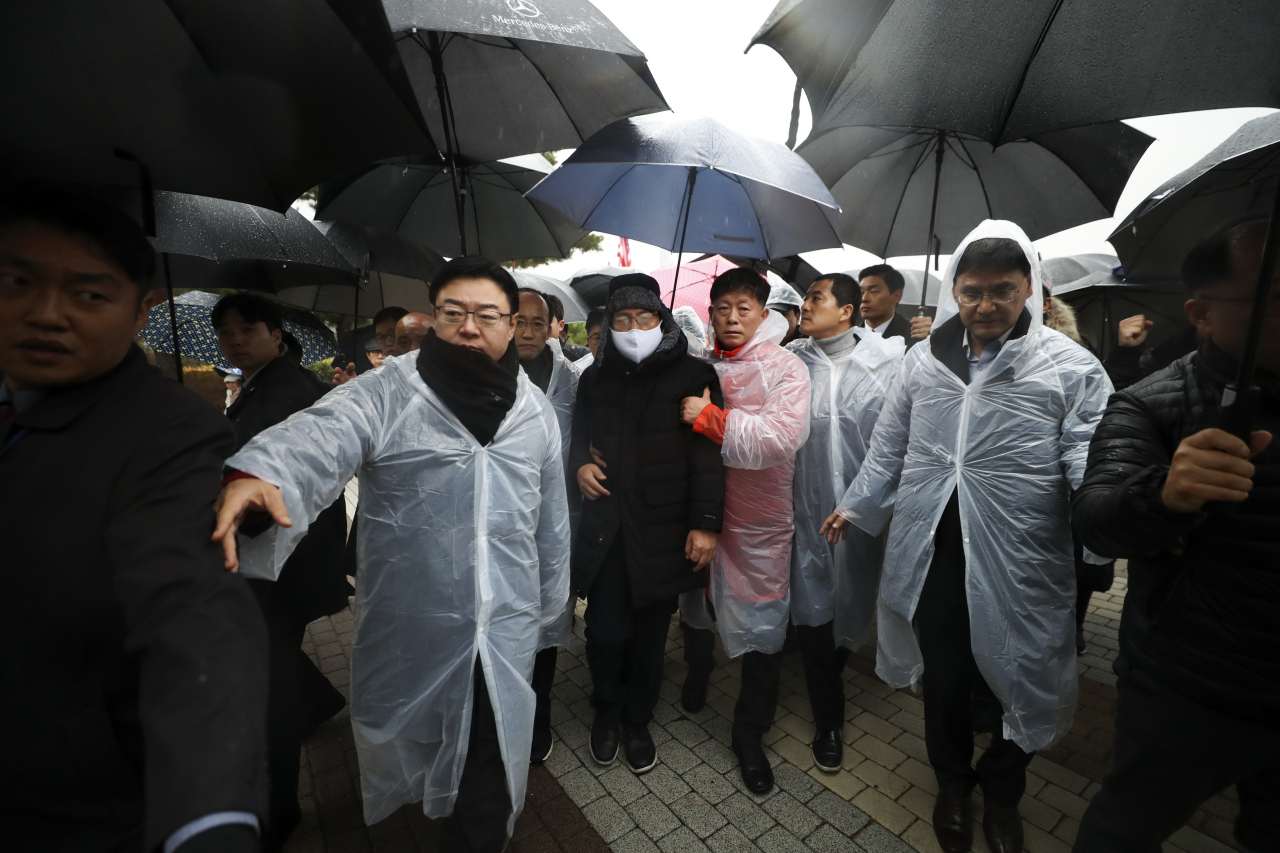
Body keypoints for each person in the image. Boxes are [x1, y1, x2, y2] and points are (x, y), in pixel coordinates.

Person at [214, 257, 570, 853]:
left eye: (487, 315)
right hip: (418, 614)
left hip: (505, 619)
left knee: (491, 747)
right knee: (425, 727)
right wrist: (263, 474)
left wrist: (550, 603)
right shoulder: (391, 390)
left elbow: (552, 516)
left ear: (512, 325)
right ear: (435, 318)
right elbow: (322, 432)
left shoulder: (533, 410)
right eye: (454, 313)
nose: (470, 327)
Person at [822, 221, 1112, 853]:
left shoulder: (1069, 367)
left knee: (1026, 665)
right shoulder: (923, 361)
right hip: (936, 548)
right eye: (972, 292)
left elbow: (1091, 456)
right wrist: (855, 505)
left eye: (1002, 291)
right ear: (954, 290)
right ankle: (952, 784)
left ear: (1031, 288)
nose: (985, 306)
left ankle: (1003, 792)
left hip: (1025, 551)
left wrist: (1105, 522)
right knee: (947, 676)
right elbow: (889, 445)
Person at [0, 187, 268, 852]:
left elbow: (193, 612)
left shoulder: (167, 431)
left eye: (88, 294)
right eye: (16, 283)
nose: (46, 314)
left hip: (73, 802)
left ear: (141, 308)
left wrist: (208, 820)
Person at [1071, 217, 1279, 853]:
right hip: (1189, 682)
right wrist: (1164, 495)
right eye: (1273, 298)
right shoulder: (1150, 403)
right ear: (1202, 314)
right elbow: (1097, 518)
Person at [571, 273, 725, 774]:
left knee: (651, 636)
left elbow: (707, 457)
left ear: (661, 320)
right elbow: (578, 436)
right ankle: (605, 710)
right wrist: (580, 465)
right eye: (622, 320)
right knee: (604, 630)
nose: (634, 329)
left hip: (664, 525)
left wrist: (706, 524)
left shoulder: (694, 375)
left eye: (644, 318)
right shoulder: (594, 377)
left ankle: (638, 720)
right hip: (608, 524)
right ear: (609, 325)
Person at [213, 292, 350, 848]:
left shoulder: (287, 392)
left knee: (267, 681)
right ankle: (318, 702)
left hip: (284, 555)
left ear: (276, 335)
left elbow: (269, 472)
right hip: (278, 555)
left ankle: (277, 808)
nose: (234, 341)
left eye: (246, 330)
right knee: (271, 656)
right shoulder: (259, 384)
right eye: (225, 333)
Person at [678, 267, 811, 795]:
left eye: (744, 308)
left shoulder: (785, 367)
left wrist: (710, 418)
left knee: (763, 622)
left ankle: (750, 731)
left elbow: (780, 438)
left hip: (760, 523)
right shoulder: (698, 366)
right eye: (723, 308)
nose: (732, 318)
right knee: (695, 603)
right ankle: (698, 671)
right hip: (698, 514)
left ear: (763, 314)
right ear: (710, 313)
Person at [787, 273, 905, 772]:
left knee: (852, 602)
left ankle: (831, 663)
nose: (805, 305)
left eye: (816, 297)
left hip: (862, 515)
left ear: (847, 311)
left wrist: (860, 504)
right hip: (802, 512)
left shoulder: (887, 365)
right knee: (811, 606)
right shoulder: (792, 362)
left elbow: (894, 446)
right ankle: (828, 720)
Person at [515, 286, 583, 765]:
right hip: (503, 522)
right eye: (518, 321)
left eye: (537, 323)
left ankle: (539, 717)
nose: (527, 331)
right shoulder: (486, 376)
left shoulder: (572, 380)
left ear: (553, 328)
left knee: (549, 615)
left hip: (558, 521)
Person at [1041, 285, 1117, 655]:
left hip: (1069, 482)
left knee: (1076, 559)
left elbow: (1093, 420)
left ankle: (1074, 624)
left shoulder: (1074, 354)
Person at [332, 306, 410, 386]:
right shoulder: (376, 380)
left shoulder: (416, 374)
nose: (387, 343)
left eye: (392, 334)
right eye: (381, 337)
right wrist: (353, 389)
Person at [857, 265, 933, 346]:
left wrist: (931, 339)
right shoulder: (850, 335)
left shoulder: (915, 335)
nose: (864, 299)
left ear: (897, 296)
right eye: (861, 293)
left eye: (873, 291)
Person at [544, 292, 590, 361]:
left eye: (546, 323)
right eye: (537, 323)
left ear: (560, 325)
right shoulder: (527, 356)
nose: (541, 329)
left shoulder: (583, 357)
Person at [766, 278, 804, 345]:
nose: (776, 320)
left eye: (783, 314)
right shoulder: (756, 338)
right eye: (772, 313)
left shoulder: (805, 346)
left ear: (798, 317)